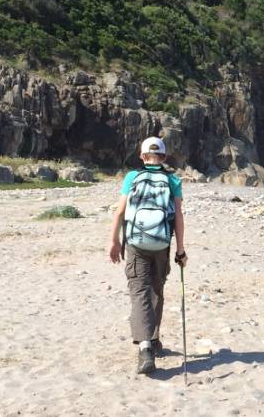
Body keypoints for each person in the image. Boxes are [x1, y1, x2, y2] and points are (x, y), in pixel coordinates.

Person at [108, 136, 186, 374]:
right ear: (163, 157)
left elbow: (120, 211)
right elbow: (179, 217)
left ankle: (145, 348)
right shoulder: (172, 179)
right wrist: (181, 249)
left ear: (142, 156)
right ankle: (153, 339)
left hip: (135, 243)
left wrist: (113, 241)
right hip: (162, 244)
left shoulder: (132, 177)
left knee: (139, 290)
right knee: (156, 289)